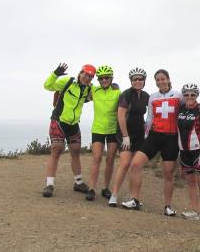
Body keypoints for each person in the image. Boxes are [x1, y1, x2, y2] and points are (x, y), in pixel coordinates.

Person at [121, 69, 182, 215]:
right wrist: (145, 135)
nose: (160, 81)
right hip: (155, 136)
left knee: (168, 174)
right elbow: (149, 118)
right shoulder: (153, 97)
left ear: (168, 79)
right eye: (158, 79)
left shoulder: (178, 95)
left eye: (163, 79)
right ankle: (135, 200)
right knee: (135, 164)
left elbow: (187, 111)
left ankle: (168, 207)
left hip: (171, 138)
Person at [42, 63, 95, 197]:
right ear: (80, 73)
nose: (87, 78)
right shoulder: (68, 81)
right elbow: (47, 86)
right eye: (85, 74)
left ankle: (78, 182)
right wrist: (55, 74)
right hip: (59, 120)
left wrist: (114, 87)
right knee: (56, 150)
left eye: (90, 76)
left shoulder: (90, 89)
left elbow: (100, 95)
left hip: (74, 124)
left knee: (76, 152)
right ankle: (49, 185)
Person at [108, 67, 150, 207]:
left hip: (139, 134)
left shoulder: (145, 96)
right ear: (131, 81)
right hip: (124, 133)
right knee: (125, 163)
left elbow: (149, 115)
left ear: (144, 81)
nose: (138, 81)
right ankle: (114, 195)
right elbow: (120, 116)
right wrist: (125, 136)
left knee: (136, 166)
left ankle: (134, 198)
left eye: (140, 79)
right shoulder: (126, 94)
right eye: (135, 79)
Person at [177, 83, 200, 225]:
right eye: (186, 94)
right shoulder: (180, 108)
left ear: (197, 95)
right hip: (184, 151)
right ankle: (194, 211)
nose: (189, 97)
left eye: (193, 94)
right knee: (191, 183)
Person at [85, 65, 121, 201]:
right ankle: (91, 188)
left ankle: (105, 188)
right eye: (101, 78)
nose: (104, 80)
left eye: (107, 78)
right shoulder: (94, 90)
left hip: (113, 130)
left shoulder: (117, 92)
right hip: (98, 129)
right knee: (97, 158)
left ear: (111, 78)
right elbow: (83, 84)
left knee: (110, 159)